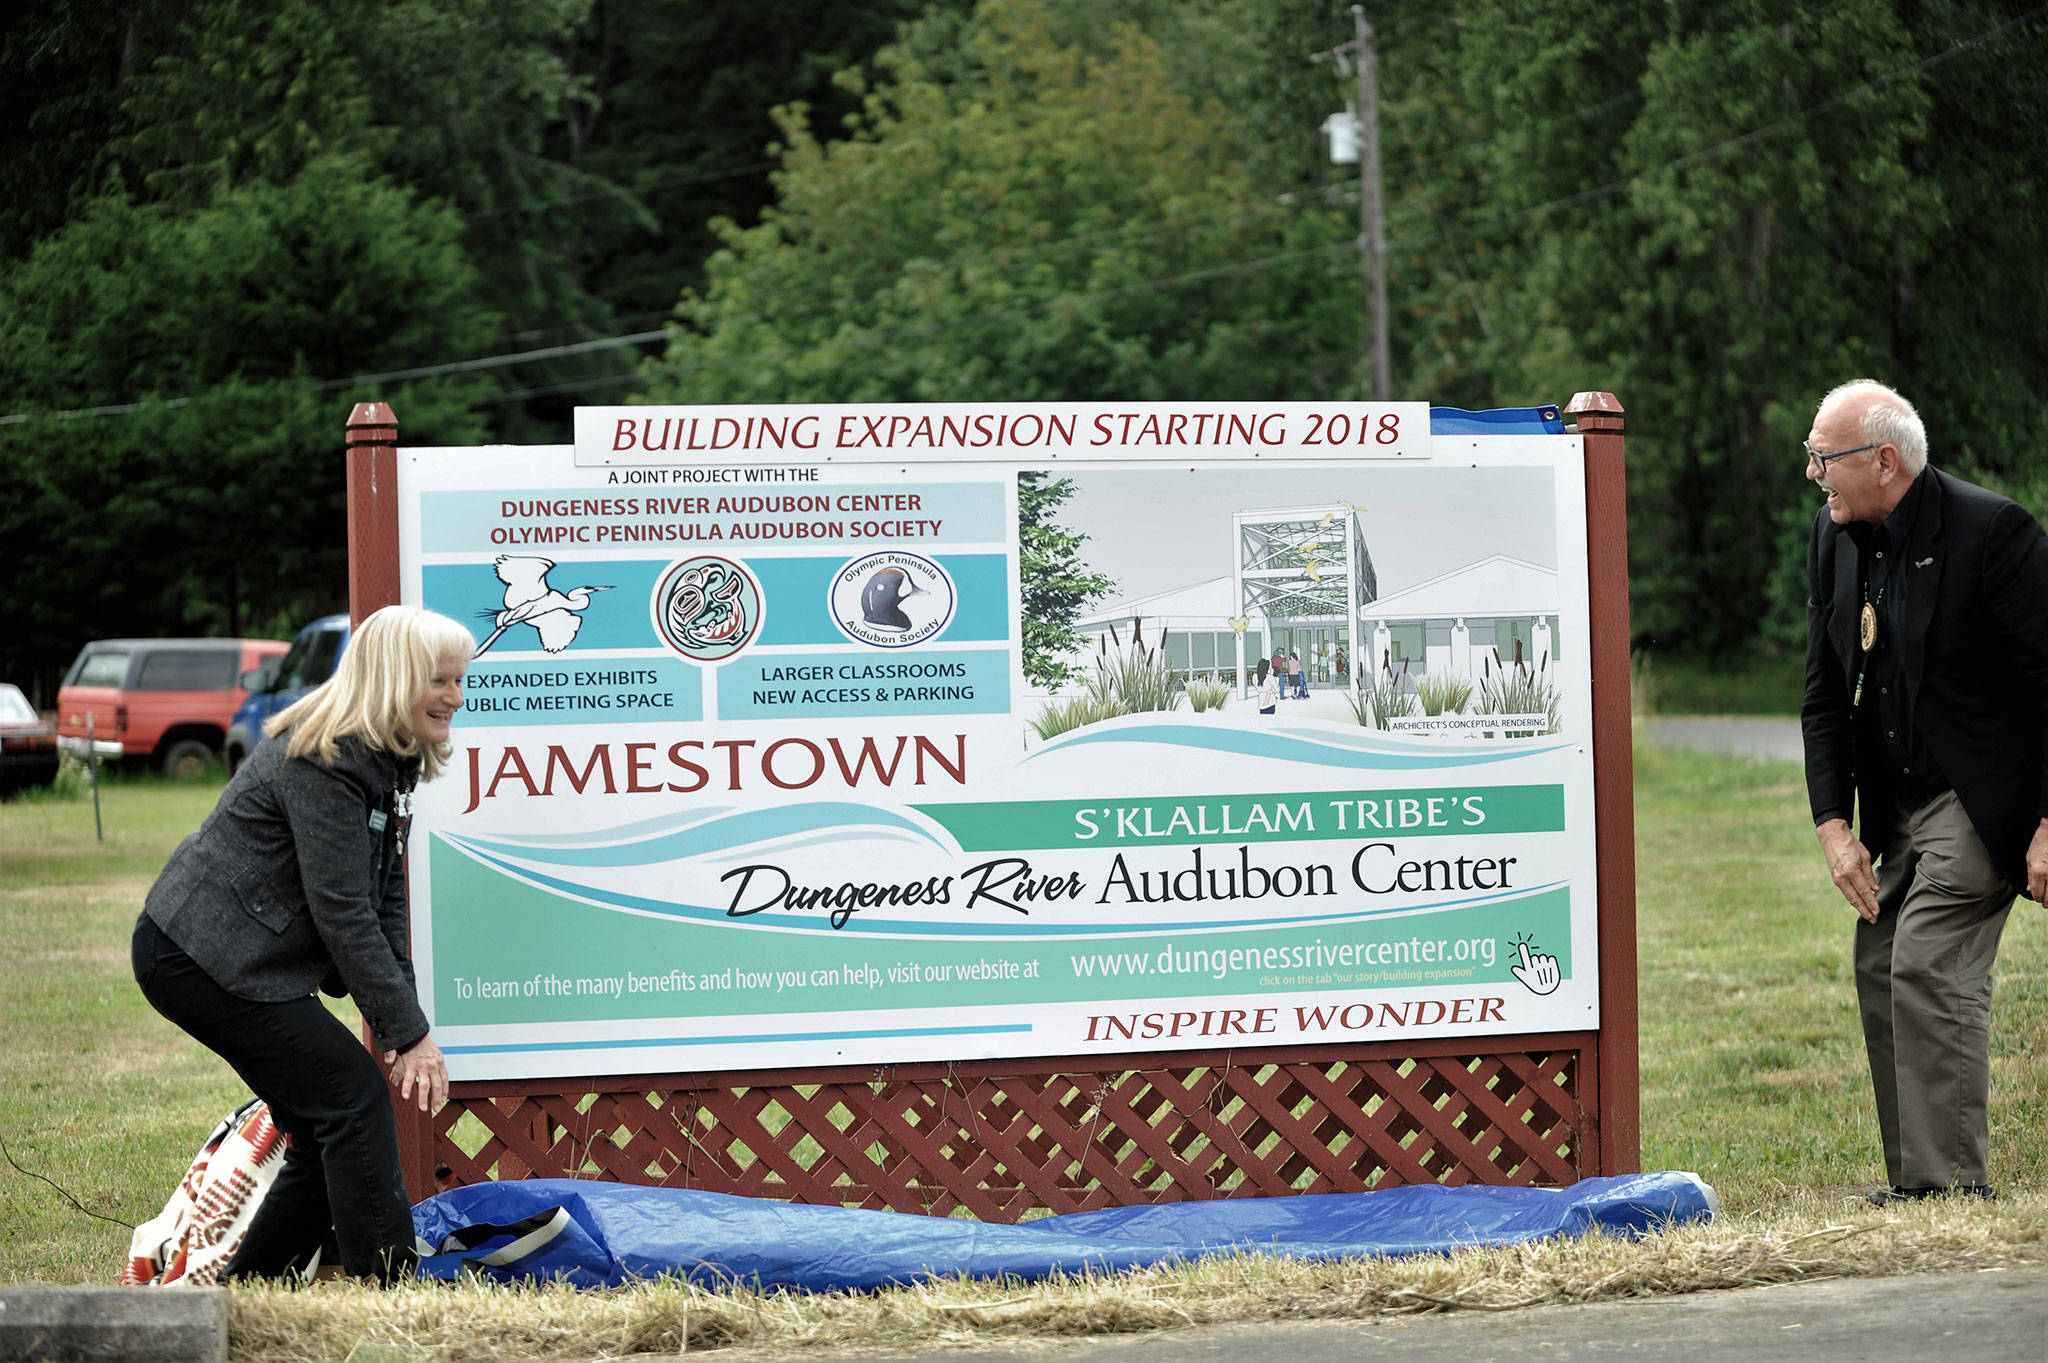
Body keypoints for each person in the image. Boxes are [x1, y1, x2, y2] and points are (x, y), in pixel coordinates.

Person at [132, 605, 475, 1281]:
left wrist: (398, 1018)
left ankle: (249, 1295)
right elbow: (342, 911)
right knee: (350, 1097)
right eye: (441, 680)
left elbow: (383, 899)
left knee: (326, 1117)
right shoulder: (327, 759)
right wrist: (407, 1033)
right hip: (201, 955)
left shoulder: (384, 758)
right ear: (395, 677)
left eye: (460, 681)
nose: (456, 697)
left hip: (238, 959)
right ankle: (394, 1292)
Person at [1800, 380, 2048, 1206]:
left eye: (1823, 458)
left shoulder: (1994, 534)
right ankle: (1914, 1179)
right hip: (1897, 804)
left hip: (1984, 796)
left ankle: (1951, 1189)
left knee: (1927, 957)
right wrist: (1835, 824)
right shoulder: (1834, 539)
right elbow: (1823, 695)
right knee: (1879, 959)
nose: (1812, 475)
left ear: (1885, 460)